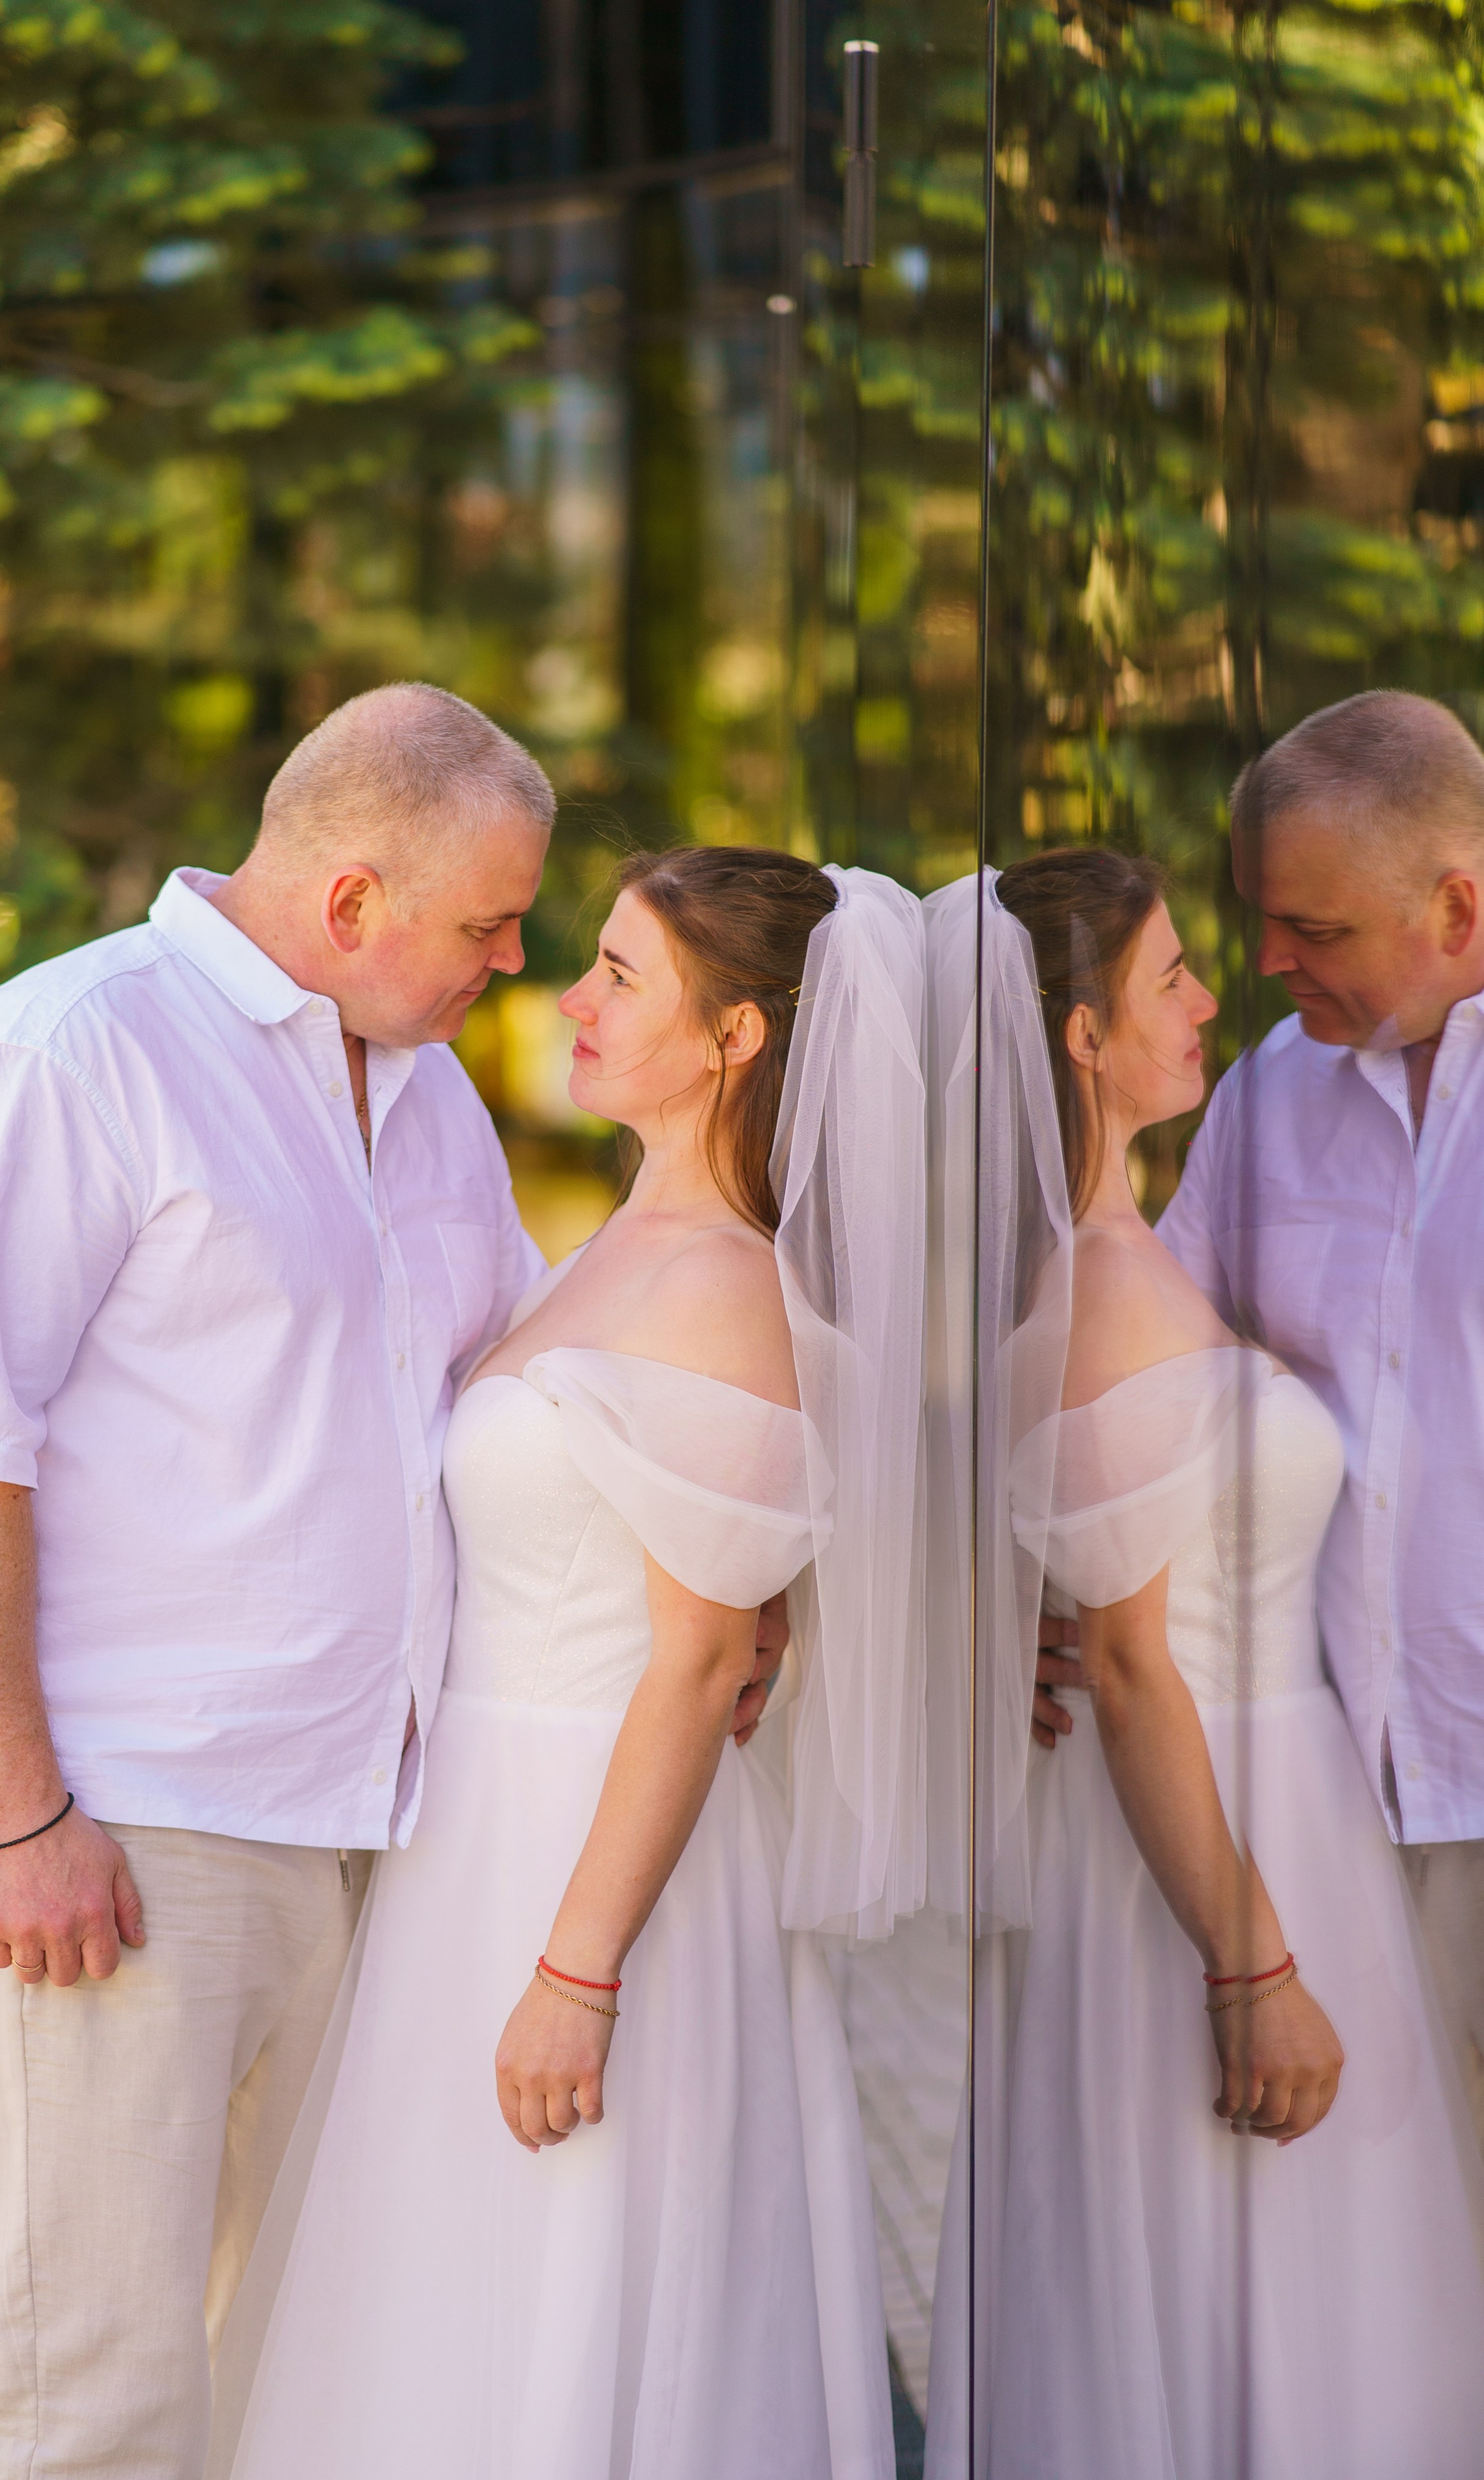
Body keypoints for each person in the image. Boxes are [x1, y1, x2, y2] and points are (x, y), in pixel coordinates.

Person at [0, 683, 786, 2480]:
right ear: (354, 901)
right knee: (96, 2403)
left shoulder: (428, 1099)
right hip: (111, 1829)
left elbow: (528, 1391)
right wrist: (16, 1814)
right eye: (491, 925)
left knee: (281, 2373)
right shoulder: (67, 1057)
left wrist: (761, 1576)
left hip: (365, 1832)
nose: (517, 965)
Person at [207, 848, 927, 2480]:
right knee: (436, 2295)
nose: (568, 999)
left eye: (617, 974)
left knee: (575, 2289)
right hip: (476, 1837)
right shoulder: (610, 1245)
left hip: (599, 1871)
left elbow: (693, 1666)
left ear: (737, 1034)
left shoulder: (733, 1289)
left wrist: (579, 1974)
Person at [928, 853, 1484, 2480]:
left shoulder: (1137, 1248)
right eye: (1172, 973)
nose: (1213, 994)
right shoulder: (1100, 1279)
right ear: (1080, 1039)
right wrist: (1249, 1968)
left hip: (1277, 1795)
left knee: (1306, 2296)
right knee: (1223, 2300)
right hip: (1206, 1831)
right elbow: (1128, 1651)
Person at [1035, 690, 1484, 2147]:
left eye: (1316, 930)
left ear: (1456, 902)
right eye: (1258, 918)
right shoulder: (1263, 1100)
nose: (1267, 961)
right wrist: (1058, 1588)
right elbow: (1160, 1395)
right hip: (1322, 1799)